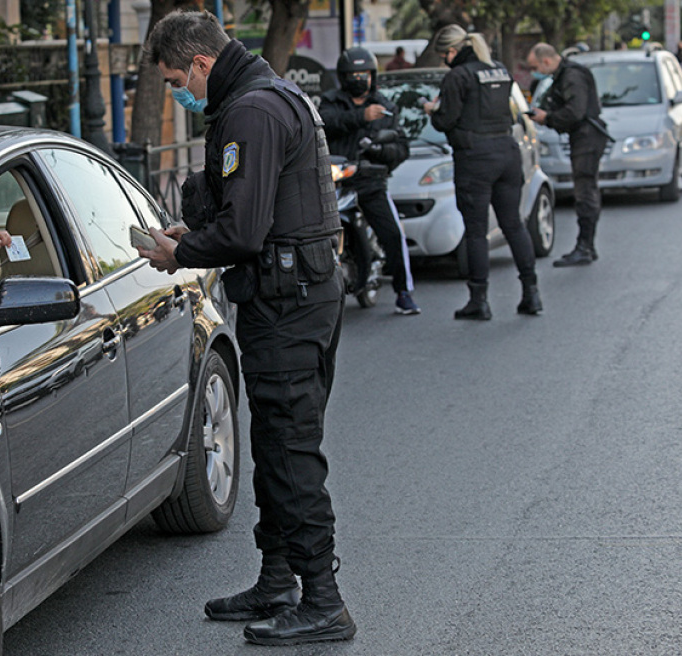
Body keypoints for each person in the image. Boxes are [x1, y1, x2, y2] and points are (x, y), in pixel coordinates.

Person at [138, 10, 355, 646]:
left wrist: (176, 252)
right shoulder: (264, 95)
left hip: (290, 305)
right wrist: (194, 235)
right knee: (273, 446)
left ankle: (323, 600)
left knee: (290, 451)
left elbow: (243, 232)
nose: (180, 91)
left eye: (179, 79)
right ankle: (278, 579)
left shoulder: (251, 112)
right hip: (291, 297)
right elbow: (251, 214)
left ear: (201, 64)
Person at [423, 25, 540, 320]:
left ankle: (479, 300)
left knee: (476, 232)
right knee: (513, 224)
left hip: (475, 158)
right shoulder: (498, 69)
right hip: (506, 152)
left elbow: (446, 120)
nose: (444, 60)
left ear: (452, 51)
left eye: (444, 55)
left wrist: (432, 110)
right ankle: (532, 294)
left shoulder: (457, 76)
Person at [320, 47, 420, 315]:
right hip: (334, 184)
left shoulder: (385, 107)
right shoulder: (330, 102)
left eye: (363, 74)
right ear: (343, 76)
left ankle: (404, 292)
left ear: (372, 75)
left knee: (392, 234)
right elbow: (325, 124)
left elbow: (400, 148)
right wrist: (361, 117)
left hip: (371, 183)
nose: (358, 79)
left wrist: (379, 151)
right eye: (353, 74)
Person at [527, 42, 608, 267]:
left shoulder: (571, 76)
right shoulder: (565, 74)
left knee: (585, 191)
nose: (535, 71)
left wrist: (548, 118)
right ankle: (586, 246)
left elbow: (575, 111)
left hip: (587, 137)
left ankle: (585, 246)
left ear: (545, 60)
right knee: (586, 189)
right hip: (584, 136)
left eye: (535, 66)